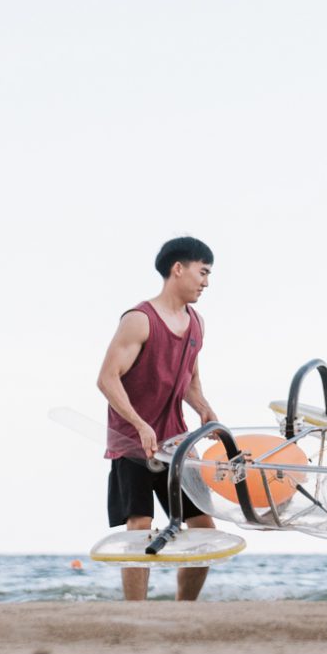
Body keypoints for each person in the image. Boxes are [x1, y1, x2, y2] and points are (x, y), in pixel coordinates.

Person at [96, 235, 220, 601]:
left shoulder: (196, 324)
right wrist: (139, 424)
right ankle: (137, 615)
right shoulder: (139, 320)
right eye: (203, 272)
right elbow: (106, 378)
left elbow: (188, 382)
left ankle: (184, 610)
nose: (206, 282)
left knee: (203, 529)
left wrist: (203, 408)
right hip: (132, 444)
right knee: (139, 527)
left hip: (175, 445)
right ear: (177, 269)